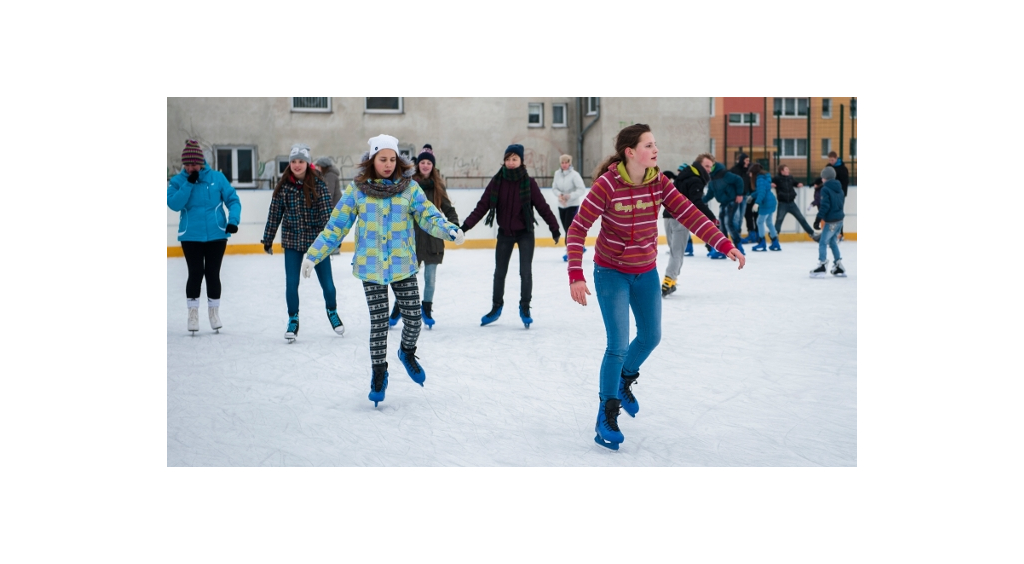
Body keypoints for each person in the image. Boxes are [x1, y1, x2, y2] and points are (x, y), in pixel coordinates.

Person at [565, 124, 745, 450]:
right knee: (617, 344)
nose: (655, 149)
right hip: (611, 273)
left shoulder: (659, 183)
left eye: (655, 143)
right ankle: (606, 415)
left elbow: (690, 213)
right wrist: (575, 273)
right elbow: (578, 228)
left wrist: (722, 242)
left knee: (651, 336)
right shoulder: (607, 185)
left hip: (645, 271)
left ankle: (624, 379)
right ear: (630, 152)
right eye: (649, 145)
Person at [303, 134, 465, 407]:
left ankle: (407, 352)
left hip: (402, 265)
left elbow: (428, 215)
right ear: (372, 160)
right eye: (382, 159)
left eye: (392, 159)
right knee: (379, 324)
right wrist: (313, 255)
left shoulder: (409, 189)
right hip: (371, 267)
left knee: (414, 318)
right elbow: (336, 227)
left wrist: (450, 230)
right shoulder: (357, 191)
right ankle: (379, 374)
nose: (388, 164)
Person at [461, 143, 561, 328]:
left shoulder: (528, 183)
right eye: (508, 159)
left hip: (525, 234)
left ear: (521, 161)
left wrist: (554, 228)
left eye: (514, 159)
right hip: (505, 234)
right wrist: (465, 227)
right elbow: (482, 207)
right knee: (499, 272)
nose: (511, 162)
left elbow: (543, 207)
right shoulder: (497, 181)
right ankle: (496, 307)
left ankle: (525, 308)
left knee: (525, 272)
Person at [261, 144, 343, 342]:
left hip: (317, 242)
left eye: (301, 161)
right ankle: (293, 319)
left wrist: (330, 241)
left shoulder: (319, 184)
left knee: (328, 285)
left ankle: (332, 311)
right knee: (291, 283)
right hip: (292, 241)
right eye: (293, 161)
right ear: (290, 164)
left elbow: (326, 215)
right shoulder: (284, 187)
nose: (297, 165)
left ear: (308, 163)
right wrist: (268, 238)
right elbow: (274, 214)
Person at [167, 139, 241, 335]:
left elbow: (233, 200)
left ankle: (214, 313)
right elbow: (174, 204)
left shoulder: (217, 178)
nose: (191, 168)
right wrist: (188, 184)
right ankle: (192, 314)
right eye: (187, 164)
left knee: (212, 274)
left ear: (201, 162)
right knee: (195, 273)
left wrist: (233, 220)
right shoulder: (177, 181)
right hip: (190, 235)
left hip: (217, 234)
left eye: (194, 164)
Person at [406, 148, 459, 329]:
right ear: (418, 164)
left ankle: (426, 309)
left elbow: (449, 209)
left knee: (430, 278)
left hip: (433, 239)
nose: (426, 165)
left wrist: (454, 227)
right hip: (413, 239)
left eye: (429, 163)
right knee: (407, 278)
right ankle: (399, 308)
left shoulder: (438, 186)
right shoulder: (410, 185)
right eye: (423, 162)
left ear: (433, 166)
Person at [661, 153, 717, 296]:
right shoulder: (696, 180)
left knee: (675, 252)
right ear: (699, 165)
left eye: (710, 167)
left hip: (667, 216)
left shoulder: (683, 175)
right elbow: (697, 202)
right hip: (680, 218)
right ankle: (668, 281)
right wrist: (711, 217)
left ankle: (672, 280)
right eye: (706, 166)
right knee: (677, 252)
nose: (709, 169)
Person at [810, 166, 846, 278]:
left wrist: (818, 219)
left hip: (831, 221)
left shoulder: (825, 189)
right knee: (833, 242)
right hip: (840, 220)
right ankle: (839, 265)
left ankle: (822, 265)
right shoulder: (840, 188)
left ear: (826, 178)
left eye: (823, 177)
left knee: (823, 242)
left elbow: (825, 206)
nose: (822, 179)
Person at [551, 154, 588, 262]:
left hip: (572, 205)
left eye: (566, 162)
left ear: (570, 163)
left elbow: (581, 189)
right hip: (561, 205)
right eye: (562, 163)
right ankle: (579, 247)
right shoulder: (557, 174)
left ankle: (570, 251)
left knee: (569, 229)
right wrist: (560, 195)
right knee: (565, 228)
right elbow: (554, 188)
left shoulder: (574, 175)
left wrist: (569, 196)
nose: (564, 165)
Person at [705, 161, 747, 255]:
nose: (707, 169)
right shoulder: (712, 179)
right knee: (722, 226)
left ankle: (738, 246)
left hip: (732, 201)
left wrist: (739, 194)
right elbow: (709, 194)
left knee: (729, 223)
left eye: (709, 166)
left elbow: (739, 180)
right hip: (723, 203)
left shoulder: (725, 174)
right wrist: (698, 202)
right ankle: (724, 249)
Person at [772, 164, 816, 240]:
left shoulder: (790, 178)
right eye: (786, 169)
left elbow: (794, 182)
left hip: (792, 203)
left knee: (801, 218)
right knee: (779, 219)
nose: (788, 171)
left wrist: (798, 184)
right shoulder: (777, 178)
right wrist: (770, 184)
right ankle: (775, 236)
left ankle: (811, 233)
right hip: (782, 203)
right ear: (781, 171)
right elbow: (770, 182)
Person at [747, 163, 780, 252]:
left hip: (766, 203)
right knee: (769, 222)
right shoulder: (765, 177)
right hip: (771, 201)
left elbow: (762, 192)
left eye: (750, 173)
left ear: (753, 172)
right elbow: (762, 190)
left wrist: (756, 203)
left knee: (759, 221)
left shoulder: (759, 179)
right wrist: (752, 196)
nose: (749, 175)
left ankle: (762, 242)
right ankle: (775, 242)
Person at [315, 156, 343, 255]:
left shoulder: (330, 176)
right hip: (333, 205)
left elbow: (329, 192)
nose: (316, 168)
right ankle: (333, 247)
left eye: (318, 166)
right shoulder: (327, 175)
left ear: (323, 166)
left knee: (332, 227)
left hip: (334, 206)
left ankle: (335, 247)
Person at [730, 152, 756, 242]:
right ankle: (735, 235)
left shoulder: (747, 171)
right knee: (736, 217)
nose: (748, 162)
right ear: (742, 160)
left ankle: (738, 234)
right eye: (746, 160)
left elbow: (749, 184)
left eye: (749, 160)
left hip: (744, 196)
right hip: (735, 197)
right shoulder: (734, 170)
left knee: (740, 217)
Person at [828, 151, 851, 241]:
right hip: (830, 194)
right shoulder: (829, 167)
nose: (831, 162)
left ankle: (840, 234)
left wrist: (842, 194)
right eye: (830, 160)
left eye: (832, 160)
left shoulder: (843, 169)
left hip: (839, 195)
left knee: (838, 213)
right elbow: (823, 178)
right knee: (830, 213)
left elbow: (845, 183)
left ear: (836, 158)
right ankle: (831, 233)